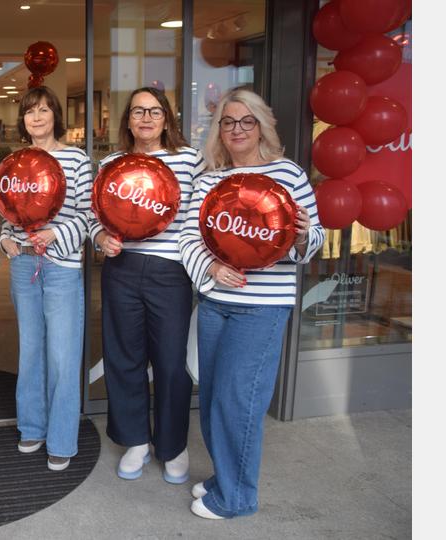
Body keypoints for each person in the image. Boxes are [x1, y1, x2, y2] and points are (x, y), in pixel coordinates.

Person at [178, 88, 324, 520]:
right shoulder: (210, 180)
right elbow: (189, 238)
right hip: (215, 302)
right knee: (212, 399)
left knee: (238, 402)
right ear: (219, 130)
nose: (237, 129)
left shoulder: (288, 174)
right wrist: (211, 267)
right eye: (228, 122)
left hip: (262, 307)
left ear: (262, 126)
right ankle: (226, 476)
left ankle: (237, 497)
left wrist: (302, 236)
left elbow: (312, 240)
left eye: (246, 121)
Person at [89, 87, 205, 483]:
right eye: (138, 111)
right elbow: (94, 216)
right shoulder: (112, 163)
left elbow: (199, 217)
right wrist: (101, 238)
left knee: (171, 363)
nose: (146, 118)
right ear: (128, 120)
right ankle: (135, 441)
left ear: (167, 118)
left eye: (154, 111)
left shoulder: (190, 160)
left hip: (170, 272)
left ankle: (173, 446)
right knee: (124, 357)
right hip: (122, 269)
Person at [0, 86, 93, 471]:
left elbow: (89, 214)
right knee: (31, 349)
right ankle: (32, 426)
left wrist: (57, 234)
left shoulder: (77, 159)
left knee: (63, 355)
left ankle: (61, 438)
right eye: (29, 112)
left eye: (43, 110)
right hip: (23, 264)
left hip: (62, 265)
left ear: (56, 115)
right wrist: (5, 237)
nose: (36, 118)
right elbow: (8, 211)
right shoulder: (16, 160)